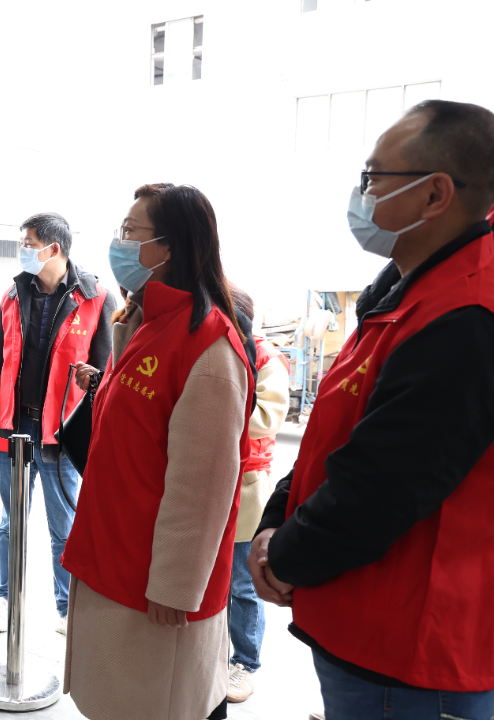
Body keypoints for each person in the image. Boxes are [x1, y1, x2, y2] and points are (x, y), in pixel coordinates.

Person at [251, 101, 494, 718]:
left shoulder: (465, 316)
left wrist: (284, 555)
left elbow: (383, 485)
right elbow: (334, 434)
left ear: (435, 194)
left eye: (373, 177)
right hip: (364, 626)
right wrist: (276, 518)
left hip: (410, 655)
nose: (361, 195)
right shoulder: (405, 295)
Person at [61, 183, 253, 720]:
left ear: (168, 247)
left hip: (152, 583)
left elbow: (203, 485)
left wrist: (176, 585)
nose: (119, 243)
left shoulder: (207, 344)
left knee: (155, 704)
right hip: (111, 551)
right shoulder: (145, 324)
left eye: (130, 231)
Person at [0, 212, 116, 636]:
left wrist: (93, 434)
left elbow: (108, 374)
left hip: (61, 434)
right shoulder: (12, 295)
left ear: (53, 248)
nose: (22, 250)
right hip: (14, 429)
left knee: (63, 527)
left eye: (28, 243)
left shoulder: (97, 298)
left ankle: (66, 606)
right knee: (9, 524)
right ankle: (5, 598)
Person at [224, 287, 289, 704]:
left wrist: (215, 409)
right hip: (212, 477)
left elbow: (267, 417)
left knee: (243, 584)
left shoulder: (265, 357)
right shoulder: (220, 347)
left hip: (247, 482)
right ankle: (214, 654)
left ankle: (245, 663)